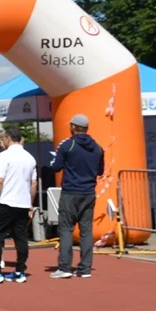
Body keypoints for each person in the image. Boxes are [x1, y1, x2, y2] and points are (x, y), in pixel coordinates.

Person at [50, 114, 104, 279]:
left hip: (71, 191)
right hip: (88, 192)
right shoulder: (97, 147)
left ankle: (65, 266)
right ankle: (85, 268)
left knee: (66, 229)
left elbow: (56, 167)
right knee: (86, 230)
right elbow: (100, 171)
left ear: (73, 126)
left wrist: (56, 159)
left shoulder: (68, 145)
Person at [0, 126, 37, 284]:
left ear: (7, 139)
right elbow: (33, 184)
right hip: (23, 203)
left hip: (7, 201)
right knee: (21, 237)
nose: (1, 143)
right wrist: (30, 205)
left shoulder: (4, 156)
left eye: (2, 139)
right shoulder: (30, 158)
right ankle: (20, 271)